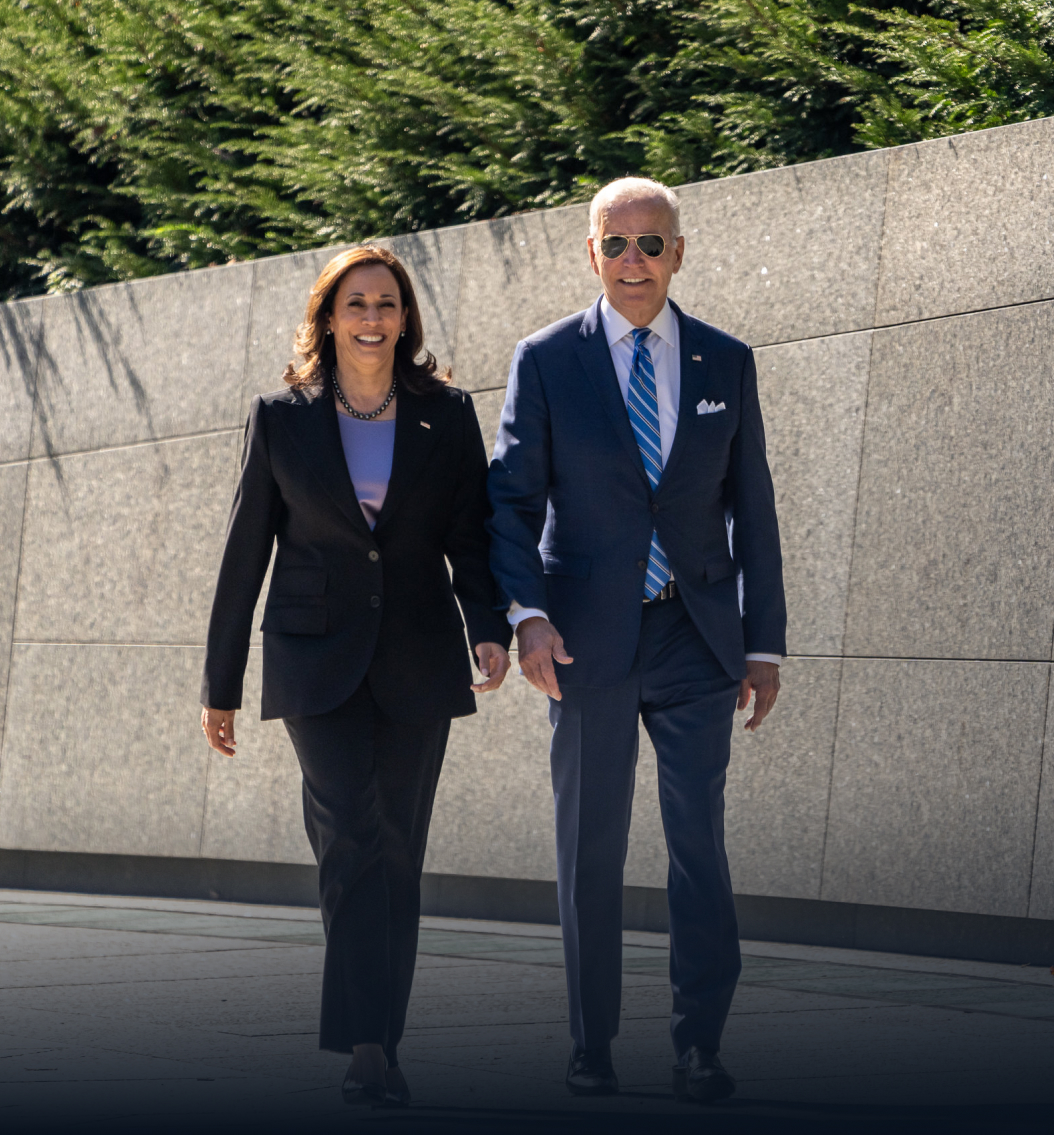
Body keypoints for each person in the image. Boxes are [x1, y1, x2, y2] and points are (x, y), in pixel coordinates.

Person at [486, 176, 785, 1104]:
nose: (633, 261)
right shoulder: (545, 360)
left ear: (679, 254)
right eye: (616, 244)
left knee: (699, 842)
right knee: (591, 846)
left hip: (697, 638)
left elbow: (756, 510)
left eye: (652, 245)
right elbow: (509, 503)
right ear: (591, 252)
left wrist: (763, 643)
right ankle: (592, 1042)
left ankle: (700, 1042)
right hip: (584, 643)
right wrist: (526, 617)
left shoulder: (725, 362)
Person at [200, 245, 513, 1107]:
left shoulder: (444, 414)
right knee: (349, 834)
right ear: (328, 317)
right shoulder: (282, 415)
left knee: (398, 849)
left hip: (418, 653)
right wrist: (219, 682)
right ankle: (367, 1044)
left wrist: (488, 627)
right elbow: (244, 552)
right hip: (314, 657)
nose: (372, 318)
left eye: (386, 303)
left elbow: (471, 537)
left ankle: (379, 1037)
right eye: (355, 303)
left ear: (405, 318)